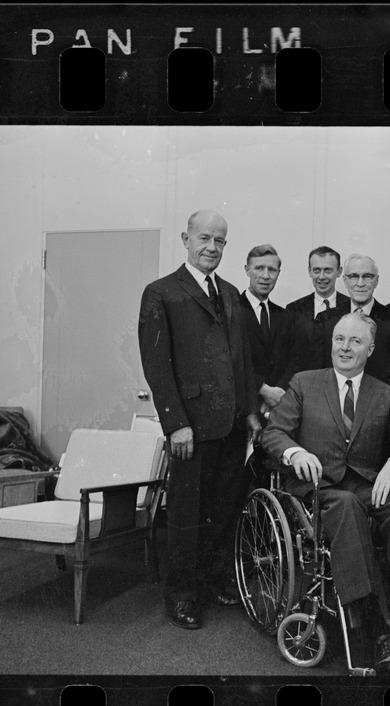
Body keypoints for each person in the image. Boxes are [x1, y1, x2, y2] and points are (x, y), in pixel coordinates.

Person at [262, 313, 390, 677]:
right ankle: (376, 630)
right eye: (339, 339)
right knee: (346, 504)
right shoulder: (304, 383)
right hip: (318, 492)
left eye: (354, 341)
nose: (344, 348)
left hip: (365, 487)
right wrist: (296, 452)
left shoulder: (385, 393)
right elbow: (272, 434)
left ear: (371, 348)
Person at [138, 210, 262, 631]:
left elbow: (241, 360)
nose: (212, 247)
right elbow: (156, 365)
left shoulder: (229, 293)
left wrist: (249, 413)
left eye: (220, 241)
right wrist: (176, 423)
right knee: (187, 514)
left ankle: (210, 584)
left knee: (223, 509)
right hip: (190, 427)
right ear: (185, 239)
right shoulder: (161, 293)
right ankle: (182, 595)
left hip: (229, 425)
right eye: (205, 238)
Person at [310, 254, 390, 403]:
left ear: (376, 280)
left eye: (367, 276)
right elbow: (317, 370)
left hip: (377, 405)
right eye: (353, 276)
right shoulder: (325, 320)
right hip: (332, 404)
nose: (360, 283)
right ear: (344, 280)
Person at [238, 244, 297, 418]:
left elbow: (293, 359)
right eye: (259, 268)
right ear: (247, 270)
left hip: (277, 408)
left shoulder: (284, 315)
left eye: (272, 269)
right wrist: (262, 390)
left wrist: (277, 392)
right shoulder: (231, 310)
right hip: (242, 409)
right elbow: (230, 361)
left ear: (278, 273)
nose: (265, 276)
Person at [285, 246, 350, 375]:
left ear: (339, 271)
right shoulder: (294, 310)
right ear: (309, 271)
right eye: (316, 270)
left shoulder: (351, 308)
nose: (321, 277)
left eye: (328, 270)